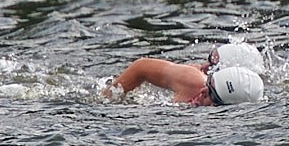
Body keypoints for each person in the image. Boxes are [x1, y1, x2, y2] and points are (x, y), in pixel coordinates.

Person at [104, 40, 267, 107]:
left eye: (211, 95)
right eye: (209, 81)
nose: (202, 67)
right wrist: (109, 98)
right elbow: (141, 67)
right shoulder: (194, 82)